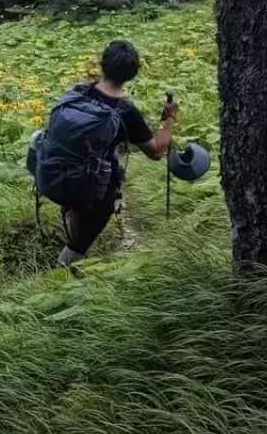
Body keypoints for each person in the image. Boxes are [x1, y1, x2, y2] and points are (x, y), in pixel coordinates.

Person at [54, 39, 178, 265]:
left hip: (62, 173)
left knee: (78, 231)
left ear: (102, 65)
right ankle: (60, 281)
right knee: (78, 246)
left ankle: (69, 268)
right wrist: (170, 118)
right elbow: (157, 151)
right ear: (135, 72)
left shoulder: (79, 91)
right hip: (98, 188)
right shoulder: (125, 110)